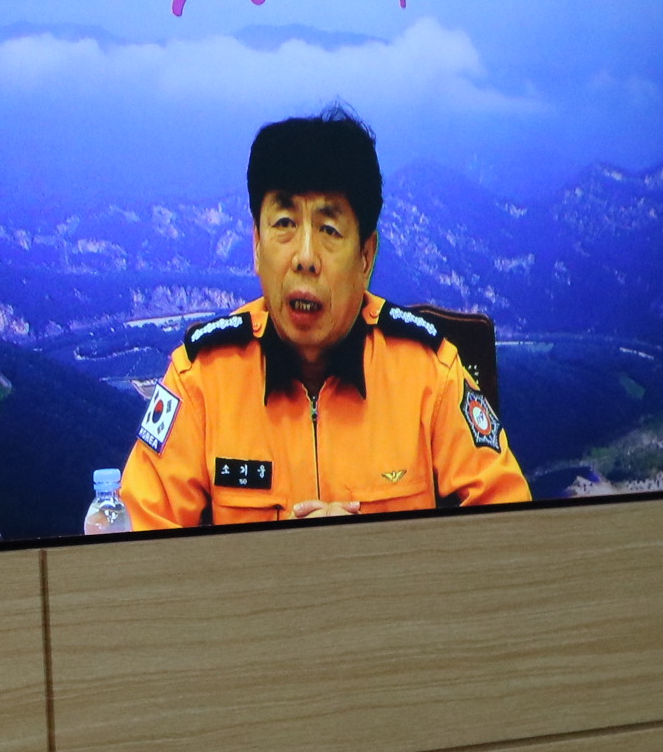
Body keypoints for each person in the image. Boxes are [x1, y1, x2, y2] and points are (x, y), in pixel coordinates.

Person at [120, 107, 530, 529]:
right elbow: (136, 540)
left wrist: (370, 554)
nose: (305, 257)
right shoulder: (202, 379)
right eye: (284, 223)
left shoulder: (429, 374)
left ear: (366, 256)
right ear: (257, 246)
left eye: (329, 230)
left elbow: (511, 527)